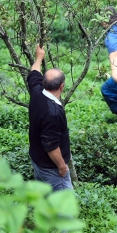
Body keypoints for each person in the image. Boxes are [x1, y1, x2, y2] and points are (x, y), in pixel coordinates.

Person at [27, 44, 73, 191]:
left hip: (37, 160)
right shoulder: (52, 112)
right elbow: (50, 145)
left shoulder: (37, 92)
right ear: (62, 86)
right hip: (51, 167)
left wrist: (39, 57)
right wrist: (61, 167)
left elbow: (34, 72)